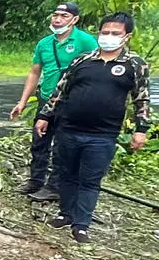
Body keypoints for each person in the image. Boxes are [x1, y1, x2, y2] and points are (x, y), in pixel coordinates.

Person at [35, 12, 150, 243]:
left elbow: (142, 99)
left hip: (103, 135)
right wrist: (45, 115)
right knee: (67, 174)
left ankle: (81, 224)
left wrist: (141, 129)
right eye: (105, 32)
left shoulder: (134, 64)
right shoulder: (82, 60)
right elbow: (60, 91)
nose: (108, 37)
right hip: (69, 128)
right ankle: (65, 213)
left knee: (90, 180)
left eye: (115, 33)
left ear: (126, 36)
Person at [10, 1, 98, 199]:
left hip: (72, 102)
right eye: (55, 15)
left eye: (64, 16)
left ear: (75, 19)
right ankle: (36, 180)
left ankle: (54, 187)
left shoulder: (85, 41)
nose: (58, 20)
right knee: (39, 140)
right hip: (46, 97)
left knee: (62, 145)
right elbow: (34, 72)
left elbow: (96, 69)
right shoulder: (44, 43)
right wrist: (23, 101)